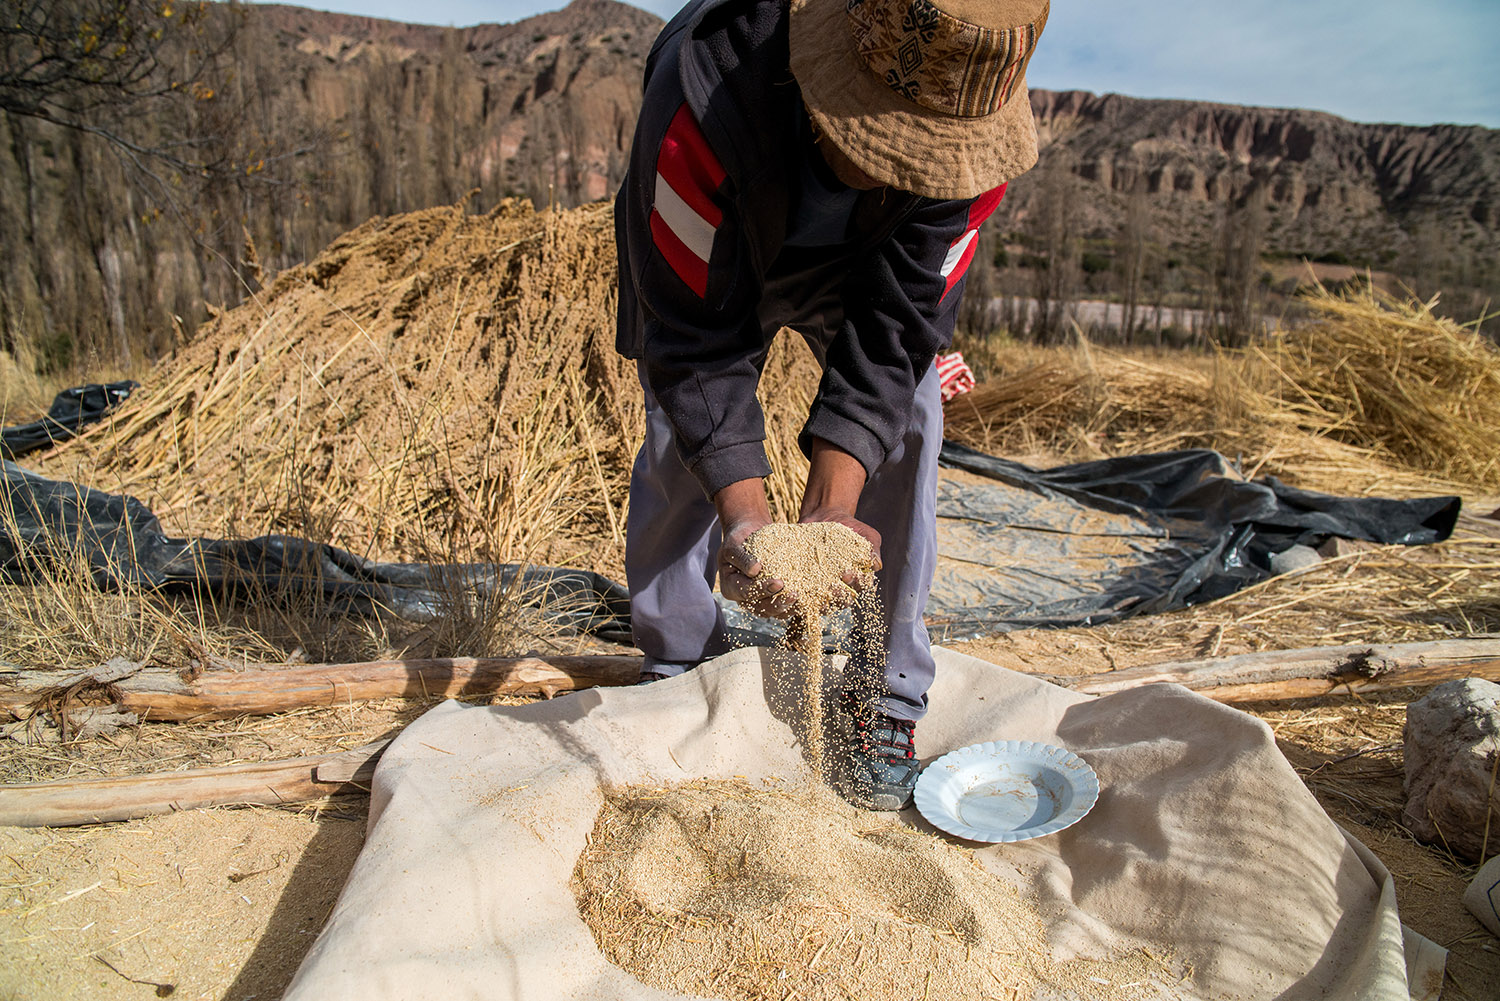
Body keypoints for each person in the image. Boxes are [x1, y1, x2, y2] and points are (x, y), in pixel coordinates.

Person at [615, 0, 1049, 809]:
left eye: (921, 161)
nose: (897, 170)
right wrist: (747, 519)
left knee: (914, 413)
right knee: (684, 435)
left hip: (863, 263)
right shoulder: (700, 98)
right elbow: (693, 341)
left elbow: (896, 335)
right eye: (883, 148)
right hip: (718, 240)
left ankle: (881, 696)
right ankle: (680, 667)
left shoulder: (970, 149)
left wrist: (831, 509)